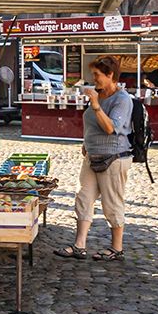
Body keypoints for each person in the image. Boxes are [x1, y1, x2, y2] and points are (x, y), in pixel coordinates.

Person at [56, 55, 133, 261]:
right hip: (92, 156)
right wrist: (86, 143)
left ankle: (117, 248)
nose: (94, 79)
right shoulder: (98, 94)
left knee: (112, 203)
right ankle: (79, 244)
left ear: (110, 75)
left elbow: (110, 128)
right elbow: (92, 124)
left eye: (97, 75)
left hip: (114, 158)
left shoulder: (122, 100)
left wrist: (96, 104)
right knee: (84, 198)